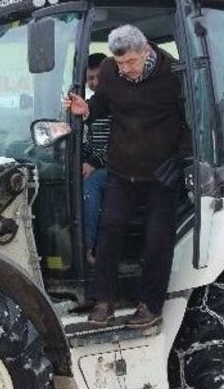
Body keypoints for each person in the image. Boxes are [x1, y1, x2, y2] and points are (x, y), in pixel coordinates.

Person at [64, 25, 190, 328]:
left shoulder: (173, 74)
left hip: (161, 174)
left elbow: (191, 119)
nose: (125, 69)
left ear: (146, 50)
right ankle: (104, 301)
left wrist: (181, 160)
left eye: (131, 62)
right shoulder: (109, 71)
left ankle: (150, 305)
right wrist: (87, 109)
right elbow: (103, 105)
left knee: (157, 239)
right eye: (120, 63)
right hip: (122, 170)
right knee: (109, 230)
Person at [82, 53, 110, 265]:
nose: (94, 82)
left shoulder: (117, 103)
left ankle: (87, 247)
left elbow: (119, 143)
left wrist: (93, 162)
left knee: (89, 185)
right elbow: (93, 142)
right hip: (100, 163)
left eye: (98, 77)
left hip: (119, 167)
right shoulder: (91, 106)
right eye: (90, 78)